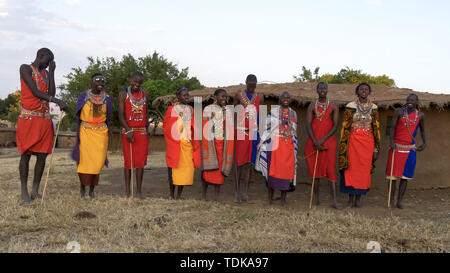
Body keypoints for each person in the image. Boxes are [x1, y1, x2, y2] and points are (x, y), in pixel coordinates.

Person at [17, 48, 68, 202]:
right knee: (25, 154)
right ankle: (24, 191)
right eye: (48, 60)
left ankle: (35, 190)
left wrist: (52, 72)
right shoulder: (25, 68)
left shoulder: (46, 73)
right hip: (29, 118)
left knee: (42, 155)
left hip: (44, 119)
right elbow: (34, 91)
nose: (49, 64)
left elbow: (50, 92)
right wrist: (57, 101)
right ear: (41, 56)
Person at [338, 83, 381, 208]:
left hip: (368, 143)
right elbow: (345, 126)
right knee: (351, 170)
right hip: (352, 142)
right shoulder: (350, 106)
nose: (363, 91)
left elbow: (376, 128)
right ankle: (350, 200)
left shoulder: (374, 107)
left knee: (363, 172)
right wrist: (343, 147)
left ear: (369, 92)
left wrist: (376, 149)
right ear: (357, 92)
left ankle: (358, 200)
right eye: (361, 89)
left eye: (366, 89)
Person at [71, 73, 113, 198]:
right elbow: (78, 113)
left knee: (97, 162)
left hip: (101, 133)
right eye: (97, 80)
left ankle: (92, 190)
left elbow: (108, 117)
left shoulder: (108, 99)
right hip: (85, 132)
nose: (100, 82)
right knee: (84, 162)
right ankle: (83, 188)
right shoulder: (84, 96)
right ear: (92, 81)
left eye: (103, 80)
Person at [255, 91, 298, 207]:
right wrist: (262, 139)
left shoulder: (293, 114)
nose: (285, 99)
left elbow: (294, 131)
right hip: (274, 146)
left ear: (290, 100)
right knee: (272, 173)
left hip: (288, 146)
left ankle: (283, 200)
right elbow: (267, 128)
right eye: (283, 97)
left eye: (288, 97)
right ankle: (270, 198)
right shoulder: (273, 112)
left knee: (286, 173)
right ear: (279, 100)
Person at [386, 94, 426, 209]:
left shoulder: (421, 116)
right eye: (408, 99)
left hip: (410, 150)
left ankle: (399, 201)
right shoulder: (399, 112)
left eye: (412, 100)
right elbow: (392, 127)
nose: (409, 101)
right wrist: (391, 141)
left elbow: (423, 131)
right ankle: (391, 200)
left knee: (405, 177)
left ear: (417, 102)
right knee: (392, 177)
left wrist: (424, 143)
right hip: (396, 148)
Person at [304, 82, 339, 208]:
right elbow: (308, 125)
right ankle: (316, 198)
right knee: (315, 171)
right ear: (317, 90)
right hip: (313, 142)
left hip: (328, 142)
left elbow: (335, 126)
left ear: (327, 90)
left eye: (324, 88)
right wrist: (315, 141)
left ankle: (334, 200)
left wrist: (322, 141)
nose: (322, 90)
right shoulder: (312, 106)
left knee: (330, 170)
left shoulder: (334, 106)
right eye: (320, 88)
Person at [163, 88, 201, 200]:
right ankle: (171, 194)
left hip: (187, 145)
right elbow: (166, 126)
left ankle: (179, 196)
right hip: (175, 145)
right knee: (173, 171)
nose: (187, 97)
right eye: (184, 95)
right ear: (178, 96)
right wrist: (179, 126)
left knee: (185, 172)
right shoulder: (172, 109)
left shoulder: (191, 109)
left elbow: (194, 126)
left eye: (188, 95)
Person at [233, 74, 264, 203]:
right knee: (239, 163)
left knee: (249, 164)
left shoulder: (260, 97)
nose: (252, 88)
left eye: (254, 86)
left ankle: (245, 192)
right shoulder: (239, 95)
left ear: (256, 84)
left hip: (253, 133)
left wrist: (260, 134)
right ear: (246, 83)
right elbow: (234, 110)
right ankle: (236, 192)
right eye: (250, 86)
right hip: (241, 132)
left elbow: (260, 115)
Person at [118, 72, 149, 198]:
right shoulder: (123, 94)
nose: (136, 85)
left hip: (141, 131)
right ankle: (127, 191)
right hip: (128, 131)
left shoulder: (145, 95)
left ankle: (139, 191)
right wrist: (128, 130)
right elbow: (120, 115)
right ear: (130, 79)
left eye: (139, 83)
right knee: (128, 162)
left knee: (140, 162)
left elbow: (146, 113)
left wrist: (147, 129)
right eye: (135, 82)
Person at [201, 89, 234, 202]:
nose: (224, 99)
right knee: (207, 172)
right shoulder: (208, 109)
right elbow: (205, 126)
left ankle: (216, 197)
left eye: (225, 97)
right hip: (211, 143)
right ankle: (204, 196)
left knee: (219, 172)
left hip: (222, 144)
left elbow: (229, 128)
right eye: (222, 96)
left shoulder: (227, 111)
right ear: (215, 97)